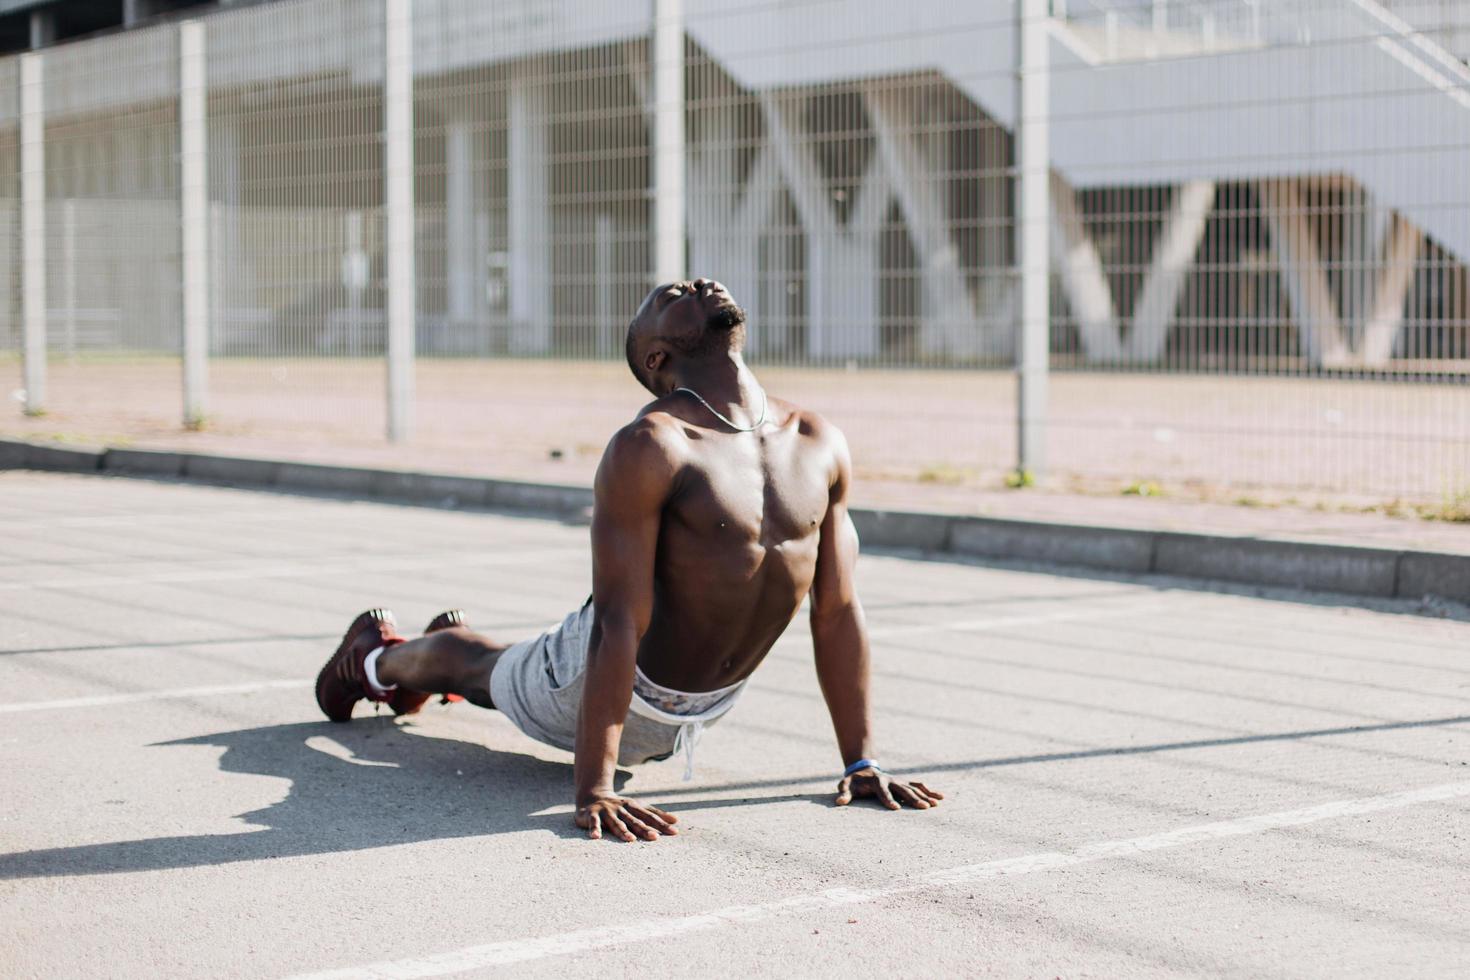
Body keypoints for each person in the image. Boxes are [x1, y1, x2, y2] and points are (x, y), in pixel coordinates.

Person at [315, 278, 943, 842]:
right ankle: (375, 658)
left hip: (701, 706)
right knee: (481, 669)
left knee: (488, 669)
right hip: (598, 680)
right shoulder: (652, 446)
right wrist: (594, 788)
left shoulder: (818, 440)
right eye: (669, 297)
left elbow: (836, 610)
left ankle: (435, 650)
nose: (696, 283)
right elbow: (616, 621)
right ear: (657, 357)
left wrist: (862, 761)